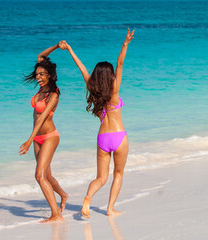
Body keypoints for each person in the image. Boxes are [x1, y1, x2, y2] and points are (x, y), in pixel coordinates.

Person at [61, 29, 134, 217]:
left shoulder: (93, 91)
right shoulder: (114, 92)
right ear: (110, 76)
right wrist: (125, 44)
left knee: (101, 177)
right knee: (118, 174)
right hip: (119, 136)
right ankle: (110, 209)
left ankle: (88, 198)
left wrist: (70, 49)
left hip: (102, 138)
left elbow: (83, 69)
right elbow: (120, 63)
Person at [18, 43, 69, 223]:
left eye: (41, 74)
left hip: (49, 137)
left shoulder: (53, 95)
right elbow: (41, 55)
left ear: (49, 75)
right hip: (37, 138)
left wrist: (28, 139)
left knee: (39, 176)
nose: (38, 77)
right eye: (37, 74)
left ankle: (56, 214)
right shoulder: (41, 89)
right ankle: (63, 195)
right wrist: (57, 46)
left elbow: (41, 119)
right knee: (47, 176)